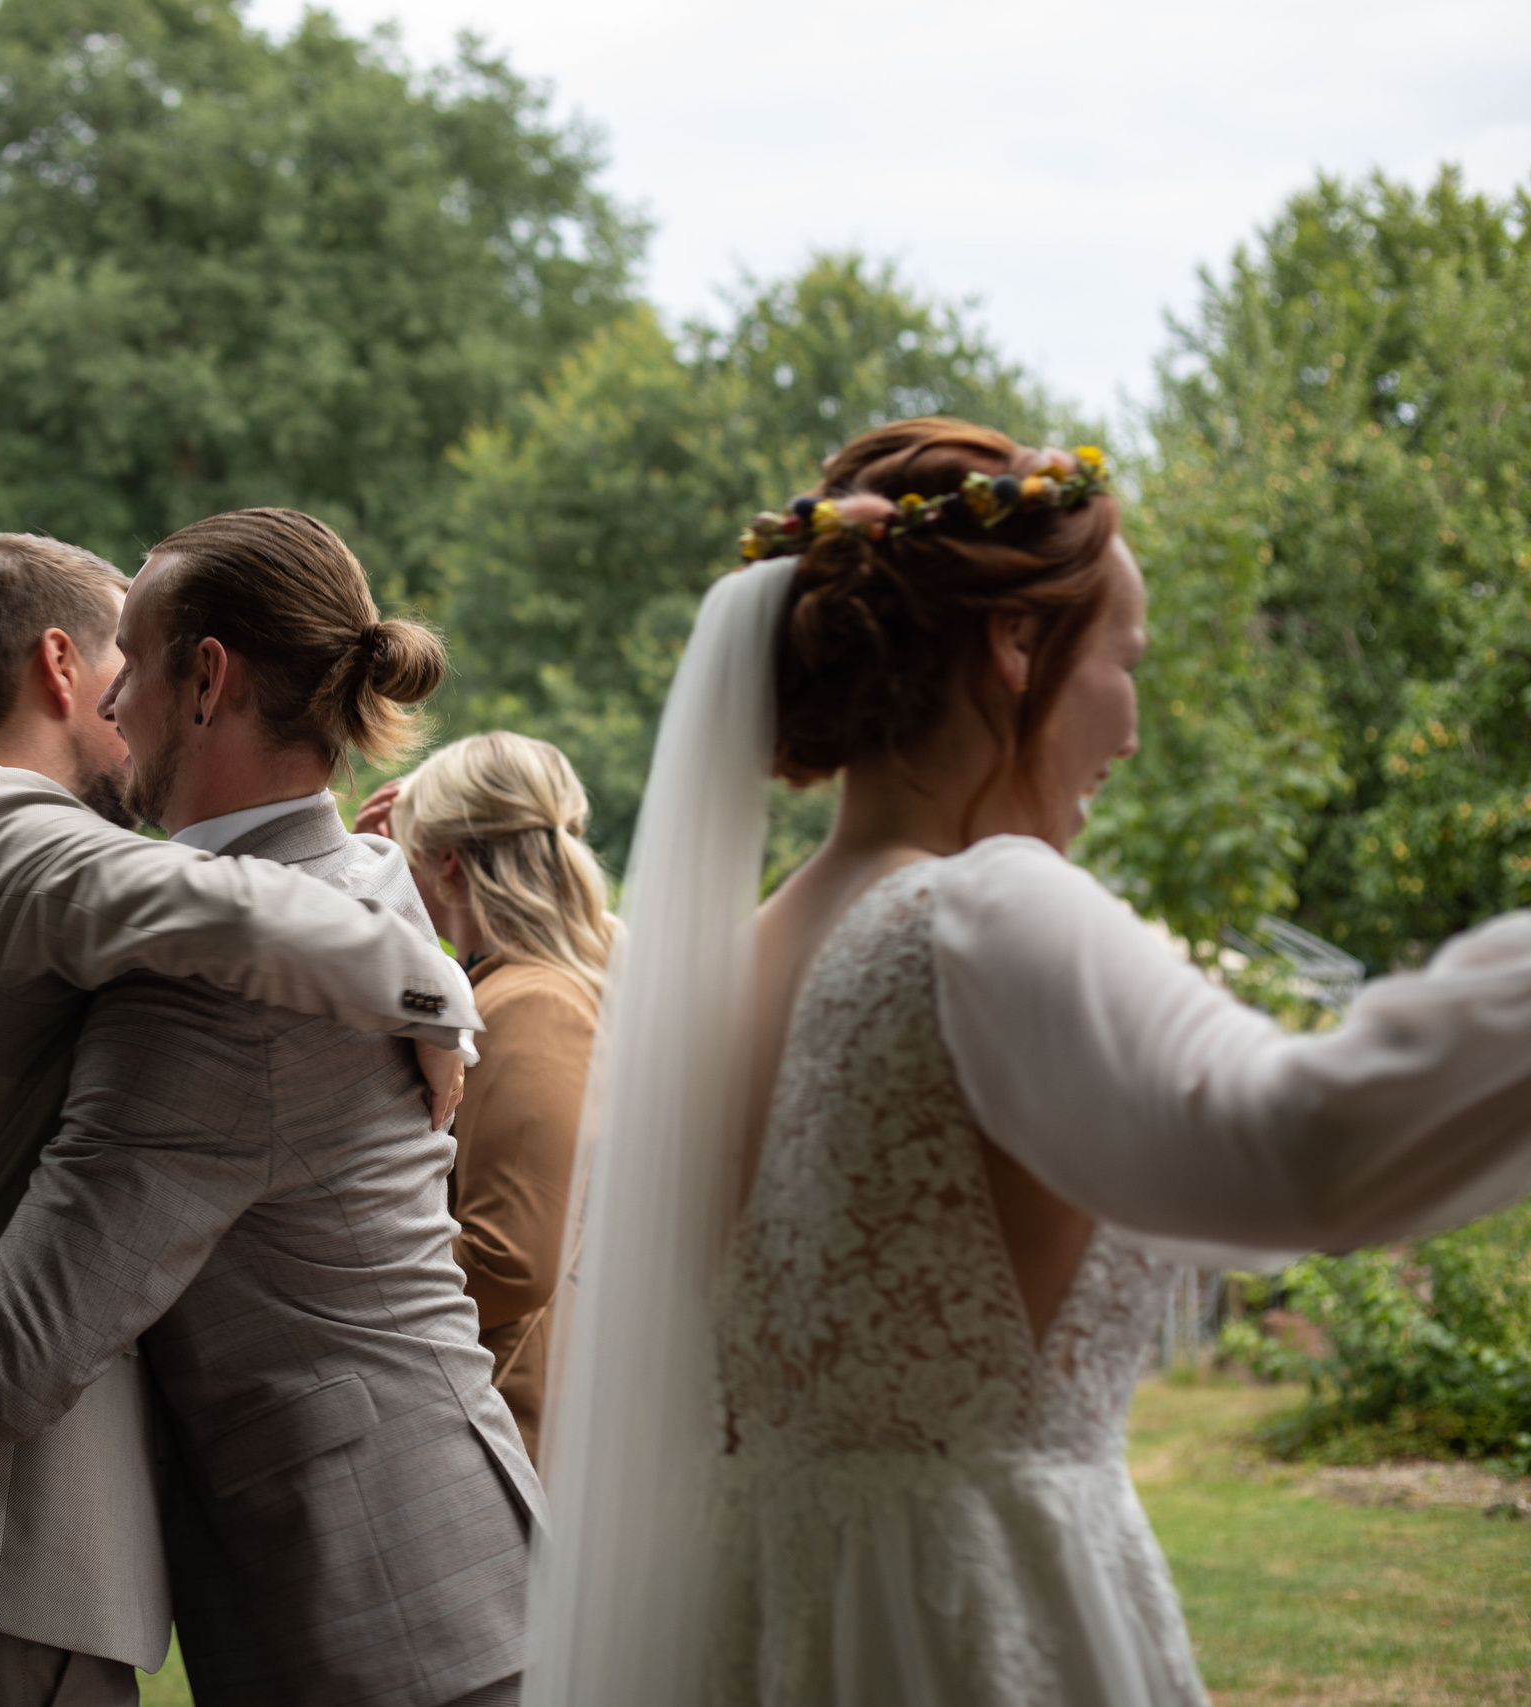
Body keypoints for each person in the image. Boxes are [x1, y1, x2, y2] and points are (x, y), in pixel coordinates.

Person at [526, 417, 1531, 1706]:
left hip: (749, 1632)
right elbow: (1309, 1149)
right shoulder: (981, 915)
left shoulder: (711, 978)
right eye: (1125, 662)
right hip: (969, 1627)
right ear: (1014, 649)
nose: (1128, 725)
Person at [0, 507, 540, 1707]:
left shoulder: (220, 992)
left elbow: (14, 1353)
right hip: (423, 1572)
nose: (110, 710)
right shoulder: (328, 893)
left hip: (387, 1603)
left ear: (204, 680)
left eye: (133, 664)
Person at [357, 731, 612, 1469]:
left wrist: (345, 1274)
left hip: (508, 1422)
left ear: (446, 862)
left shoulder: (535, 1003)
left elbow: (512, 1259)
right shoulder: (512, 985)